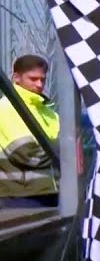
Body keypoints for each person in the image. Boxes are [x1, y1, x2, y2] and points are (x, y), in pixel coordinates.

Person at [0, 54, 60, 208]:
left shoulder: (48, 112)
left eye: (43, 79)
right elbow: (27, 153)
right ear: (16, 78)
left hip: (52, 191)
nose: (39, 84)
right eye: (33, 79)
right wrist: (66, 148)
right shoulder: (7, 108)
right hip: (21, 196)